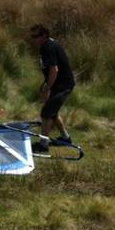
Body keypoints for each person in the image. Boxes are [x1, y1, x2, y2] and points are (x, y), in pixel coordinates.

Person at [28, 24, 74, 152]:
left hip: (63, 85)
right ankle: (65, 138)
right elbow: (50, 70)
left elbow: (54, 69)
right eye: (32, 36)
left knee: (46, 112)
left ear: (44, 36)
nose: (33, 39)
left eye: (36, 36)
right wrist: (45, 84)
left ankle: (43, 144)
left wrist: (48, 87)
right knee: (52, 112)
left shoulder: (48, 46)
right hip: (59, 83)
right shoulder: (46, 46)